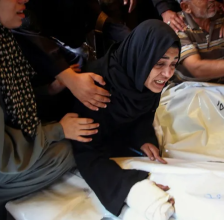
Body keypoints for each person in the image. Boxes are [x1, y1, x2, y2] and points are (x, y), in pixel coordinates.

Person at [0, 0, 98, 219]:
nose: (24, 0)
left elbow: (1, 101)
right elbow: (1, 153)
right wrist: (58, 130)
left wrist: (49, 89)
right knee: (66, 152)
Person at [72, 20, 179, 219]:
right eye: (159, 63)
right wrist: (134, 189)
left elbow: (142, 115)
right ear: (141, 56)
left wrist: (143, 137)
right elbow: (85, 152)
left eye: (173, 64)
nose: (167, 74)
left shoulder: (144, 78)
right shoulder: (97, 87)